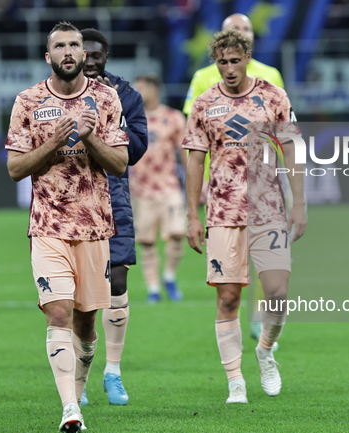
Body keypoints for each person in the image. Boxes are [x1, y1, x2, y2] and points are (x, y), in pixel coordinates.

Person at [5, 21, 129, 433]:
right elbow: (15, 169)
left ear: (83, 52)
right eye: (60, 45)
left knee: (86, 323)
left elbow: (120, 164)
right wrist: (53, 145)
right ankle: (70, 408)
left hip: (95, 227)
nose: (69, 51)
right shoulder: (28, 101)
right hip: (47, 226)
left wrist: (90, 139)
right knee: (57, 312)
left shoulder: (106, 98)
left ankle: (81, 383)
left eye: (75, 44)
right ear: (49, 56)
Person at [183, 29, 307, 404]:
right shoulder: (204, 104)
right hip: (222, 212)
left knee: (278, 294)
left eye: (236, 61)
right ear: (215, 63)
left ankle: (266, 350)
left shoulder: (273, 96)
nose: (230, 68)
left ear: (247, 58)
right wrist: (192, 215)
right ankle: (235, 380)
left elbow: (291, 148)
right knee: (228, 298)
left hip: (268, 208)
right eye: (222, 62)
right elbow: (194, 160)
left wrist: (299, 202)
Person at [183, 12, 286, 344]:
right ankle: (236, 374)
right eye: (234, 29)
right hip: (223, 193)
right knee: (229, 288)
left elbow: (283, 131)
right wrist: (196, 192)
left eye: (246, 29)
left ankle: (261, 324)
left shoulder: (271, 78)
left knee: (272, 279)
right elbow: (194, 139)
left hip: (265, 188)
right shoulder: (203, 80)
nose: (241, 33)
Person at [79, 27, 148, 406]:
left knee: (117, 280)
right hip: (70, 202)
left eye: (95, 53)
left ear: (106, 56)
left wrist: (110, 119)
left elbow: (136, 149)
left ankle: (113, 372)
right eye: (82, 51)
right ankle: (80, 374)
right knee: (79, 294)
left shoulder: (126, 95)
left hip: (113, 195)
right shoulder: (53, 94)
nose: (89, 58)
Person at [130, 74, 188, 303]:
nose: (137, 92)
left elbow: (184, 152)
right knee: (147, 241)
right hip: (141, 190)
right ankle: (153, 288)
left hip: (169, 186)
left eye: (141, 88)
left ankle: (169, 276)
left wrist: (198, 183)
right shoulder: (131, 118)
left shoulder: (172, 118)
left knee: (176, 234)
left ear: (154, 90)